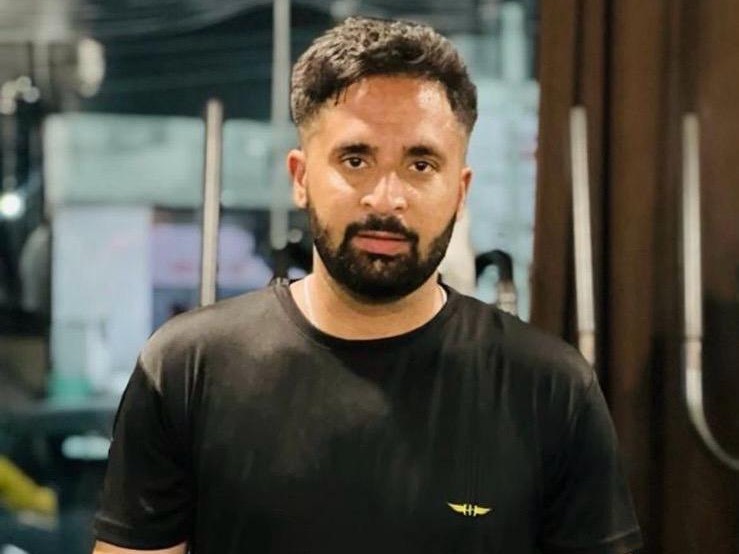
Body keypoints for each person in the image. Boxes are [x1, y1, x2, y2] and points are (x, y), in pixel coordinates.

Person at [92, 16, 642, 554]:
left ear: (460, 190)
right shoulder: (188, 368)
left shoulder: (550, 388)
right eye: (355, 160)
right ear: (301, 177)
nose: (386, 199)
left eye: (421, 165)